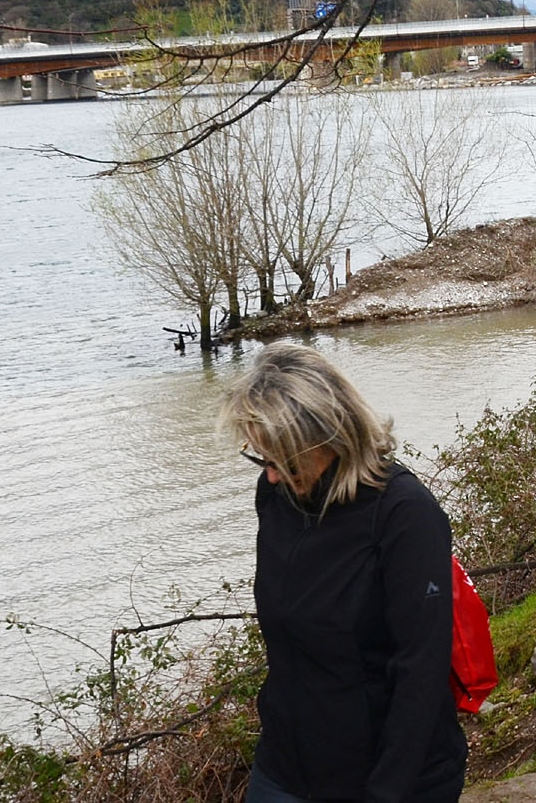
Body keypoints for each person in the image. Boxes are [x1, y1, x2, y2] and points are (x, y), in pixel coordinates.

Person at [221, 344, 467, 803]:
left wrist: (386, 793)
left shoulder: (405, 514)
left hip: (391, 776)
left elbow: (421, 671)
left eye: (282, 459)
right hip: (284, 769)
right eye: (262, 458)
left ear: (326, 437)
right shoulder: (278, 496)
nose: (271, 475)